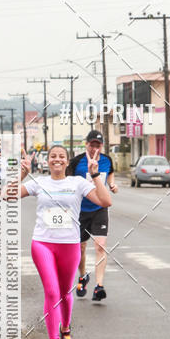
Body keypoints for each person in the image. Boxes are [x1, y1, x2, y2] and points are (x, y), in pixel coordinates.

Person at [5, 144, 111, 339]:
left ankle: (65, 327)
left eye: (61, 156)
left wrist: (95, 175)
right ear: (47, 161)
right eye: (53, 156)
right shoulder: (39, 182)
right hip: (42, 244)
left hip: (69, 245)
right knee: (52, 292)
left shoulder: (78, 183)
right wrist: (22, 174)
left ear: (67, 161)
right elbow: (7, 195)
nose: (57, 160)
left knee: (64, 292)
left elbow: (105, 201)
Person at [67, 130, 118, 303]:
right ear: (86, 144)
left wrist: (111, 184)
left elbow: (110, 173)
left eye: (98, 145)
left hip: (99, 208)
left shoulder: (106, 160)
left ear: (101, 146)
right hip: (80, 210)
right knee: (80, 247)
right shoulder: (76, 162)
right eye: (92, 144)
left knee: (100, 246)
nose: (95, 147)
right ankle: (83, 276)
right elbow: (67, 181)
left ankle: (99, 286)